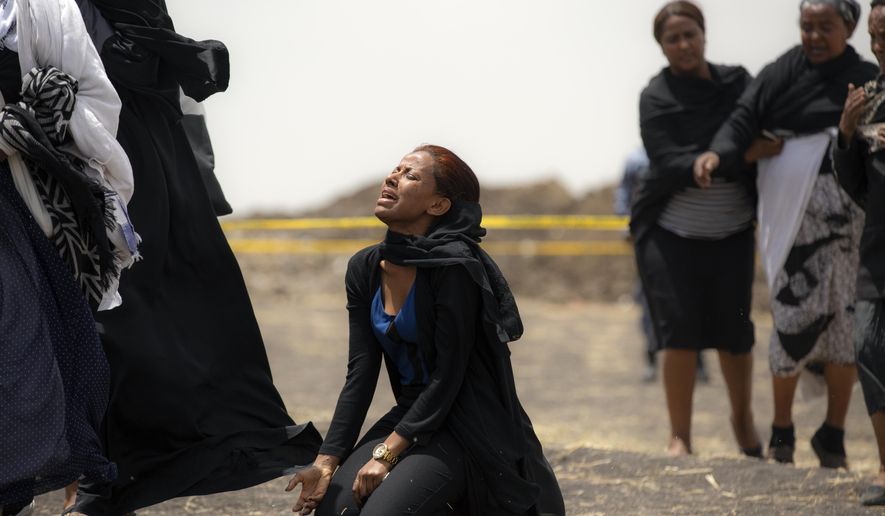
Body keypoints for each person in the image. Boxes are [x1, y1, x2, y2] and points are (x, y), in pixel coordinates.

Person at [68, 1, 323, 514]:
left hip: (123, 150)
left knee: (126, 319)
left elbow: (151, 62)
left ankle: (97, 476)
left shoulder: (117, 30)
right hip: (72, 144)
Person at [285, 145, 564, 515]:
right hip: (412, 416)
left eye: (410, 175)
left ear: (438, 205)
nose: (392, 177)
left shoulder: (454, 268)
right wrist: (326, 461)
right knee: (333, 509)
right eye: (396, 169)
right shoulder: (365, 268)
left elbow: (450, 376)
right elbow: (361, 373)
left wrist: (386, 454)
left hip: (469, 424)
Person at [695, 0, 877, 468]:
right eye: (806, 26)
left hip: (854, 227)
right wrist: (719, 154)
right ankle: (782, 430)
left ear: (849, 28)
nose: (814, 36)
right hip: (792, 220)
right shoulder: (780, 73)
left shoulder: (865, 76)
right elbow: (741, 119)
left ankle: (834, 434)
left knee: (845, 328)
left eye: (825, 27)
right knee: (793, 323)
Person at [0, 0, 137, 513]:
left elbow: (96, 99)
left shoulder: (45, 11)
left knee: (24, 361)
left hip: (25, 211)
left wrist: (19, 128)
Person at [632, 1, 773, 458]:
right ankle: (680, 437)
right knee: (679, 332)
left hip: (732, 231)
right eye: (672, 39)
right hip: (669, 232)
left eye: (689, 34)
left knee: (736, 334)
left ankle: (744, 424)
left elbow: (763, 132)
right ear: (662, 46)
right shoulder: (656, 96)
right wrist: (730, 154)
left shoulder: (737, 82)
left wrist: (726, 153)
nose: (683, 44)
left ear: (704, 34)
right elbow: (665, 159)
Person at [832, 0, 885, 504]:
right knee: (869, 351)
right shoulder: (869, 98)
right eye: (873, 36)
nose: (878, 47)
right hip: (877, 254)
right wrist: (849, 133)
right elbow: (854, 185)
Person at [614, 146, 709, 384]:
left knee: (691, 297)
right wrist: (627, 223)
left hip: (684, 235)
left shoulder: (686, 153)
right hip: (649, 238)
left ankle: (697, 361)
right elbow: (624, 194)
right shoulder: (635, 160)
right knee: (650, 299)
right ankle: (652, 357)